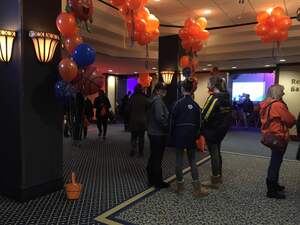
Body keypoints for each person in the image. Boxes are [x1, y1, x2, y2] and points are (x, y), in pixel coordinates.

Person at [171, 78, 209, 197]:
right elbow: (200, 124)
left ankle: (180, 187)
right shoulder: (196, 106)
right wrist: (196, 136)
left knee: (178, 160)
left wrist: (172, 136)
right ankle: (197, 188)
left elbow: (172, 122)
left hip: (179, 135)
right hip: (191, 136)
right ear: (192, 90)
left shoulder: (177, 104)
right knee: (192, 161)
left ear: (182, 89)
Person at [259, 84, 296, 199]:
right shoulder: (278, 105)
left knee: (275, 161)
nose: (284, 93)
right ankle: (271, 190)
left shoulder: (266, 104)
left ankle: (274, 184)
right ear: (277, 93)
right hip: (278, 137)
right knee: (275, 162)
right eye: (282, 91)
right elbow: (290, 121)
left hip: (270, 135)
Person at [201, 76, 232, 189]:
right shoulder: (226, 98)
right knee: (217, 152)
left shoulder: (214, 98)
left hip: (212, 130)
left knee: (214, 153)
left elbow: (205, 115)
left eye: (208, 82)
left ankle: (214, 179)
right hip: (222, 129)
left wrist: (200, 128)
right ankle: (219, 176)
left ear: (213, 85)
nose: (207, 85)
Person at [147, 82, 170, 189]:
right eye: (162, 89)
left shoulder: (155, 100)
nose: (164, 91)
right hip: (158, 133)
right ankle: (157, 181)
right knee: (157, 157)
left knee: (154, 156)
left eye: (165, 89)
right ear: (157, 90)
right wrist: (167, 127)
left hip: (153, 132)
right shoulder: (157, 101)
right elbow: (160, 118)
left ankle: (152, 179)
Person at [128, 85, 149, 157]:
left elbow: (128, 109)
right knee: (141, 137)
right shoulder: (145, 98)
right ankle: (140, 152)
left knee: (133, 136)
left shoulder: (132, 98)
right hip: (142, 121)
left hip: (133, 120)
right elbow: (148, 108)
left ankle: (133, 149)